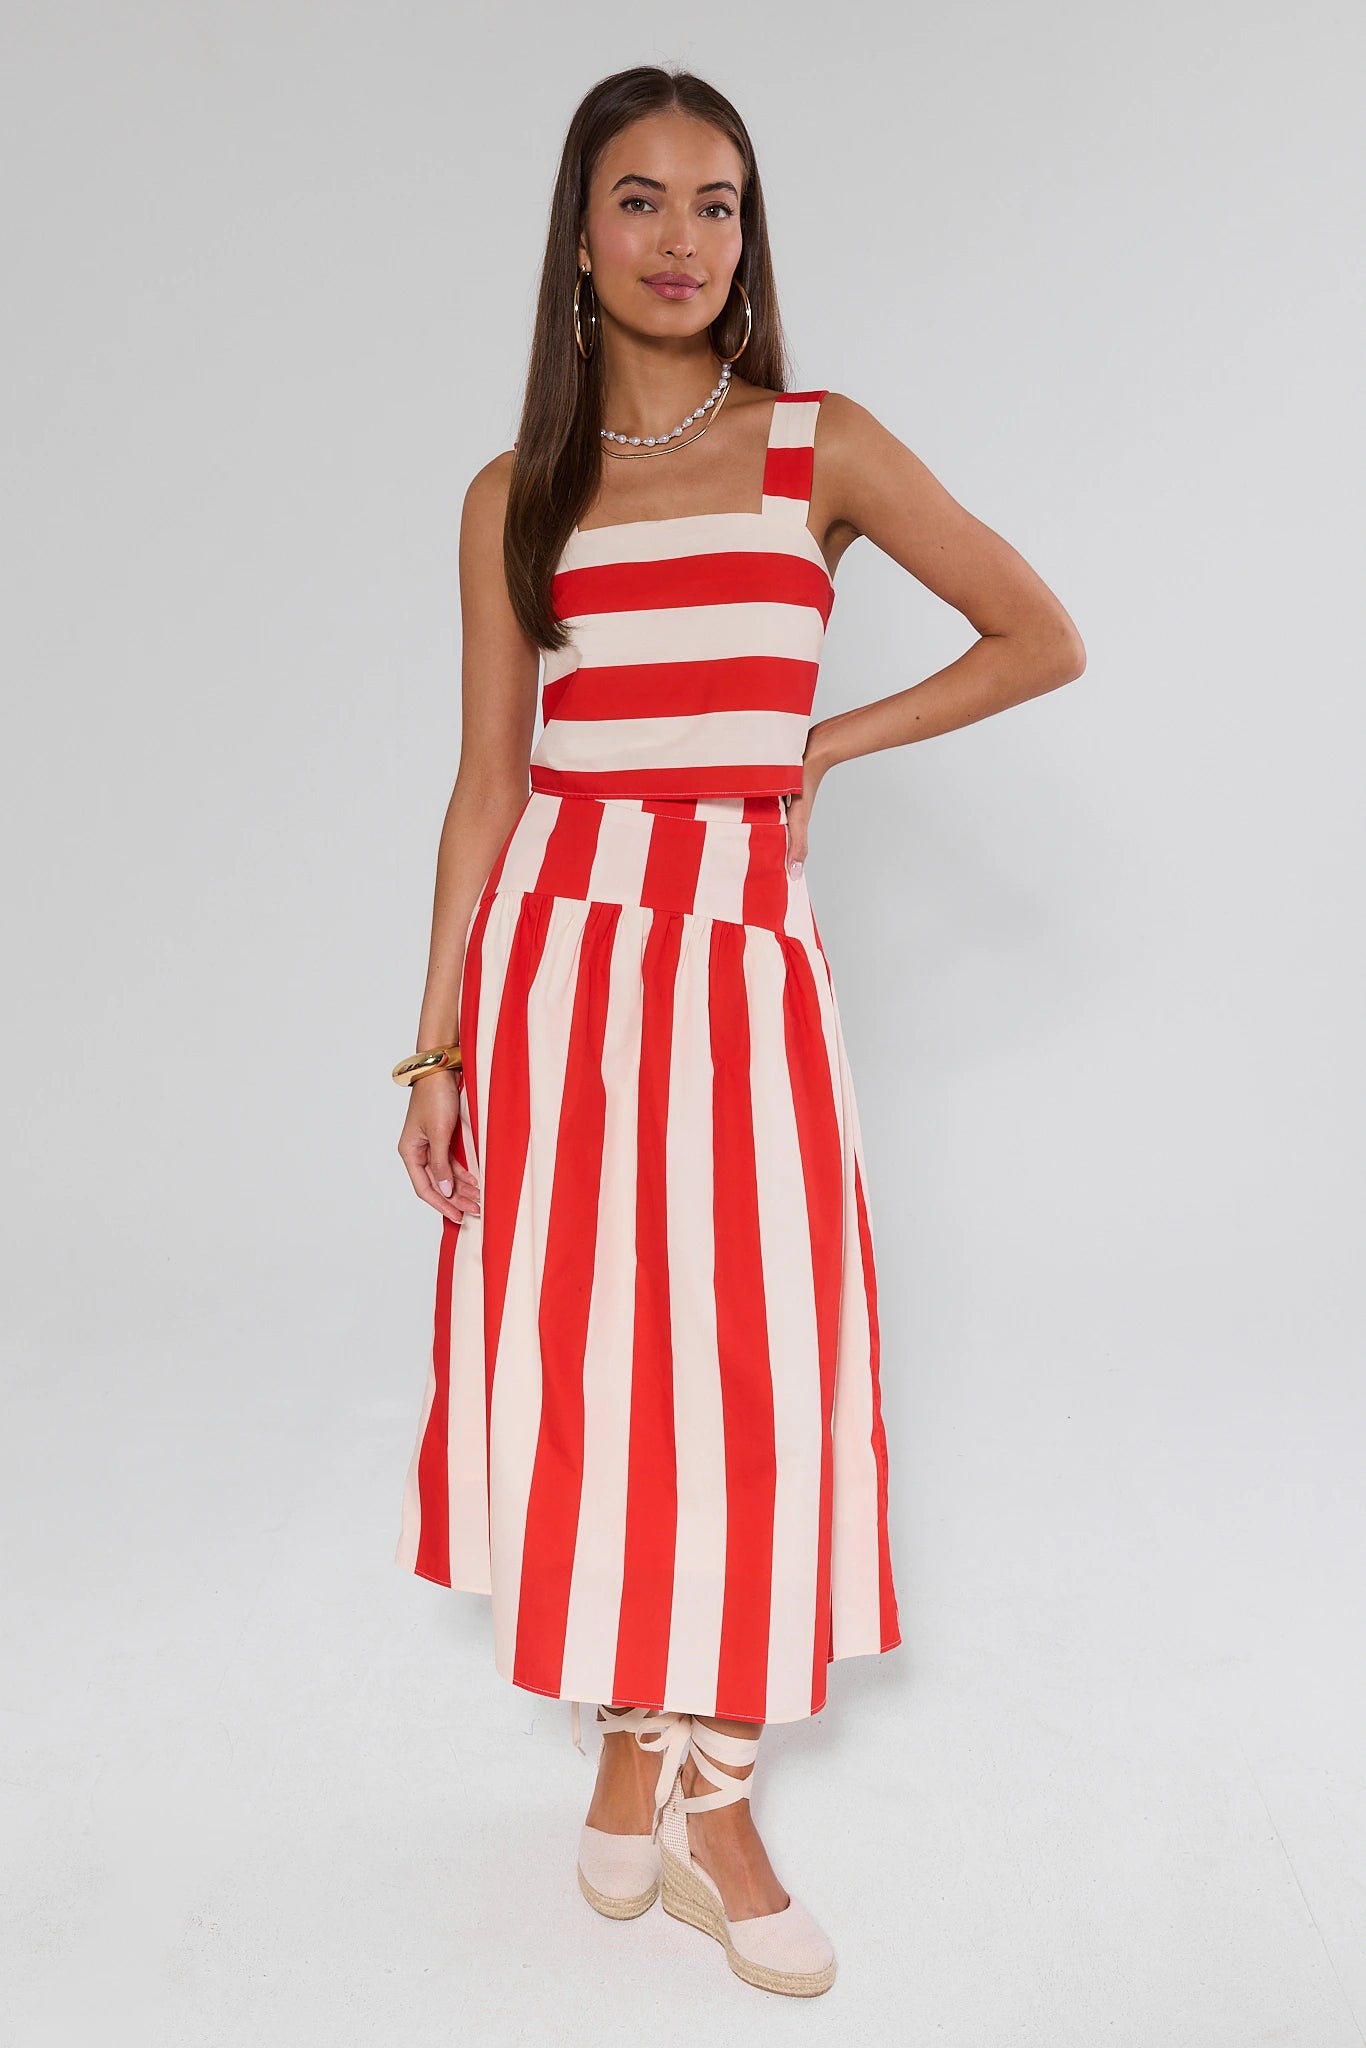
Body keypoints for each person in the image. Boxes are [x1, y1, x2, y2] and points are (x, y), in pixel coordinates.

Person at [391, 64, 1085, 1999]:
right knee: (603, 1363)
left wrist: (815, 748)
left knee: (749, 1364)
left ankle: (715, 1794)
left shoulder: (817, 446)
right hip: (559, 962)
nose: (683, 239)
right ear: (578, 234)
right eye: (640, 199)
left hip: (738, 963)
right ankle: (631, 1742)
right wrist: (435, 1047)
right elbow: (482, 783)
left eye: (718, 202)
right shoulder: (514, 495)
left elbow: (1037, 634)